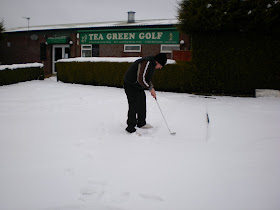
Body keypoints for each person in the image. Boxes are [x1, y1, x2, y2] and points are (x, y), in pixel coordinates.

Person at [123, 53, 167, 133]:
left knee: (142, 102)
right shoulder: (146, 62)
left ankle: (141, 123)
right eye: (161, 65)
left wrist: (152, 88)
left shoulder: (152, 65)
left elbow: (147, 78)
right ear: (157, 62)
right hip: (130, 84)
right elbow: (141, 79)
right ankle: (130, 127)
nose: (160, 68)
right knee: (134, 105)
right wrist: (150, 88)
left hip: (137, 85)